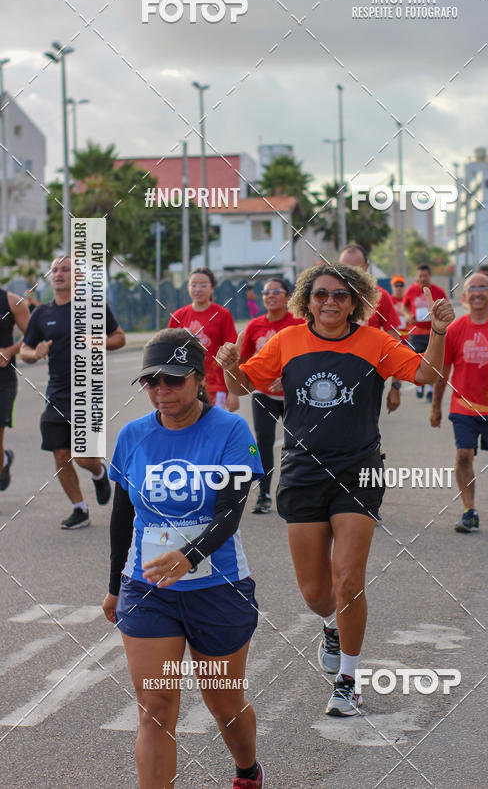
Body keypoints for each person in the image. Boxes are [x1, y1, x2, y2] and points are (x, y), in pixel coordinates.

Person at [217, 262, 454, 716]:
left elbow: (425, 376)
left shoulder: (375, 342)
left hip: (357, 473)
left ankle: (349, 678)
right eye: (321, 294)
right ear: (306, 300)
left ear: (356, 302)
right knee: (315, 593)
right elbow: (245, 385)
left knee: (348, 580)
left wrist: (438, 333)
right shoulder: (286, 341)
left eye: (341, 295)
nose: (330, 302)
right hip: (303, 472)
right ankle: (328, 624)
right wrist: (230, 368)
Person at [102, 330, 264, 788]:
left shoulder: (230, 431)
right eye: (151, 382)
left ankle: (248, 771)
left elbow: (230, 513)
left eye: (172, 380)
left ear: (198, 378)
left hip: (218, 588)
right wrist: (116, 585)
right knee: (155, 708)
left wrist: (188, 557)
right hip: (148, 590)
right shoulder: (133, 436)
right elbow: (122, 518)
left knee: (224, 703)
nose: (161, 391)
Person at [21, 256, 126, 529]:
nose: (58, 273)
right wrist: (35, 353)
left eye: (65, 269)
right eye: (54, 269)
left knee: (83, 457)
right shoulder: (41, 314)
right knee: (59, 454)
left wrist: (99, 341)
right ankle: (80, 509)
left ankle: (99, 471)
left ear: (78, 277)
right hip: (56, 393)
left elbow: (119, 337)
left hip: (87, 393)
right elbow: (25, 349)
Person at [430, 273, 488, 531]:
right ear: (464, 296)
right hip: (463, 407)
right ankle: (469, 510)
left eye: (483, 287)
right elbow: (443, 371)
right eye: (471, 288)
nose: (477, 292)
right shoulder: (455, 329)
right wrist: (435, 406)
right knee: (464, 455)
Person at [240, 278, 304, 514]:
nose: (270, 295)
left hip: (294, 394)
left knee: (295, 444)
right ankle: (264, 493)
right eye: (266, 292)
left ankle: (293, 492)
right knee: (263, 441)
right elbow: (245, 360)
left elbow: (309, 358)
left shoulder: (298, 323)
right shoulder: (255, 325)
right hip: (263, 393)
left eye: (276, 291)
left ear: (288, 297)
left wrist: (291, 377)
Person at [338, 243, 403, 413]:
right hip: (333, 374)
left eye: (355, 268)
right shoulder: (328, 297)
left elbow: (395, 342)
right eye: (344, 268)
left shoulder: (380, 296)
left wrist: (396, 386)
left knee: (364, 431)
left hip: (369, 377)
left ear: (366, 267)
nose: (349, 273)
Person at [168, 268, 239, 412]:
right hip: (185, 385)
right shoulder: (178, 316)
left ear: (212, 288)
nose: (198, 289)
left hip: (217, 385)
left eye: (203, 285)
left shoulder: (223, 315)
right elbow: (168, 352)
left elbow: (232, 355)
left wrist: (233, 391)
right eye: (193, 285)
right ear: (188, 287)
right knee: (188, 427)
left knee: (213, 427)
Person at [402, 263, 448, 401]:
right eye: (420, 276)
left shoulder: (438, 291)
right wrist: (408, 315)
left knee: (431, 360)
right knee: (417, 359)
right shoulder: (411, 291)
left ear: (430, 276)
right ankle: (420, 385)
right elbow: (404, 306)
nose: (422, 278)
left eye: (425, 276)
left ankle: (429, 389)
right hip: (416, 332)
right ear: (417, 276)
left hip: (432, 332)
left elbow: (445, 307)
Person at [0, 286, 30, 491]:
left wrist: (10, 351)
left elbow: (34, 336)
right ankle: (3, 461)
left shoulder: (12, 302)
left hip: (3, 380)